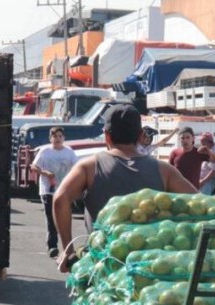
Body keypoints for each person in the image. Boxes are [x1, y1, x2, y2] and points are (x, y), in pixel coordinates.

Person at [53, 104, 196, 273]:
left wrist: (67, 251)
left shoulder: (90, 167)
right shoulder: (164, 170)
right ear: (141, 136)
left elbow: (60, 199)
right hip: (151, 267)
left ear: (106, 136)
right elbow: (198, 202)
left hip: (104, 264)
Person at [31, 127, 78, 258]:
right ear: (50, 138)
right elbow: (34, 166)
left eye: (60, 136)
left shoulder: (69, 152)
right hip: (48, 190)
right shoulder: (45, 151)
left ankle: (67, 247)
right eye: (54, 136)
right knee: (51, 218)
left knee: (63, 218)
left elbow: (76, 167)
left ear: (64, 138)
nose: (57, 139)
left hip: (63, 190)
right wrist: (44, 172)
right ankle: (52, 246)